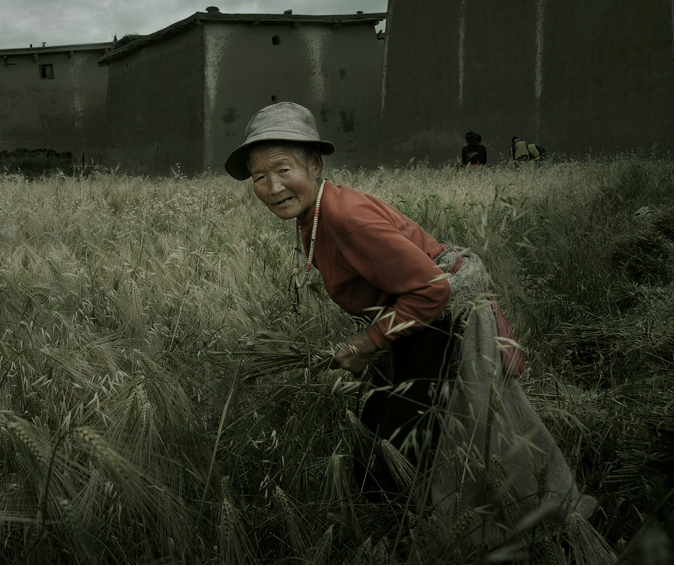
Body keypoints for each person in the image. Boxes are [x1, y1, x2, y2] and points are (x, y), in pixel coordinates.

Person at [225, 102, 596, 549]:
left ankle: (490, 539)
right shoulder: (317, 211)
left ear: (316, 164)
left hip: (444, 319)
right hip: (418, 318)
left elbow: (430, 291)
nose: (272, 186)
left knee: (427, 439)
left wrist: (366, 344)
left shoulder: (343, 218)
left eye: (283, 169)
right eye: (259, 177)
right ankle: (405, 532)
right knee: (389, 427)